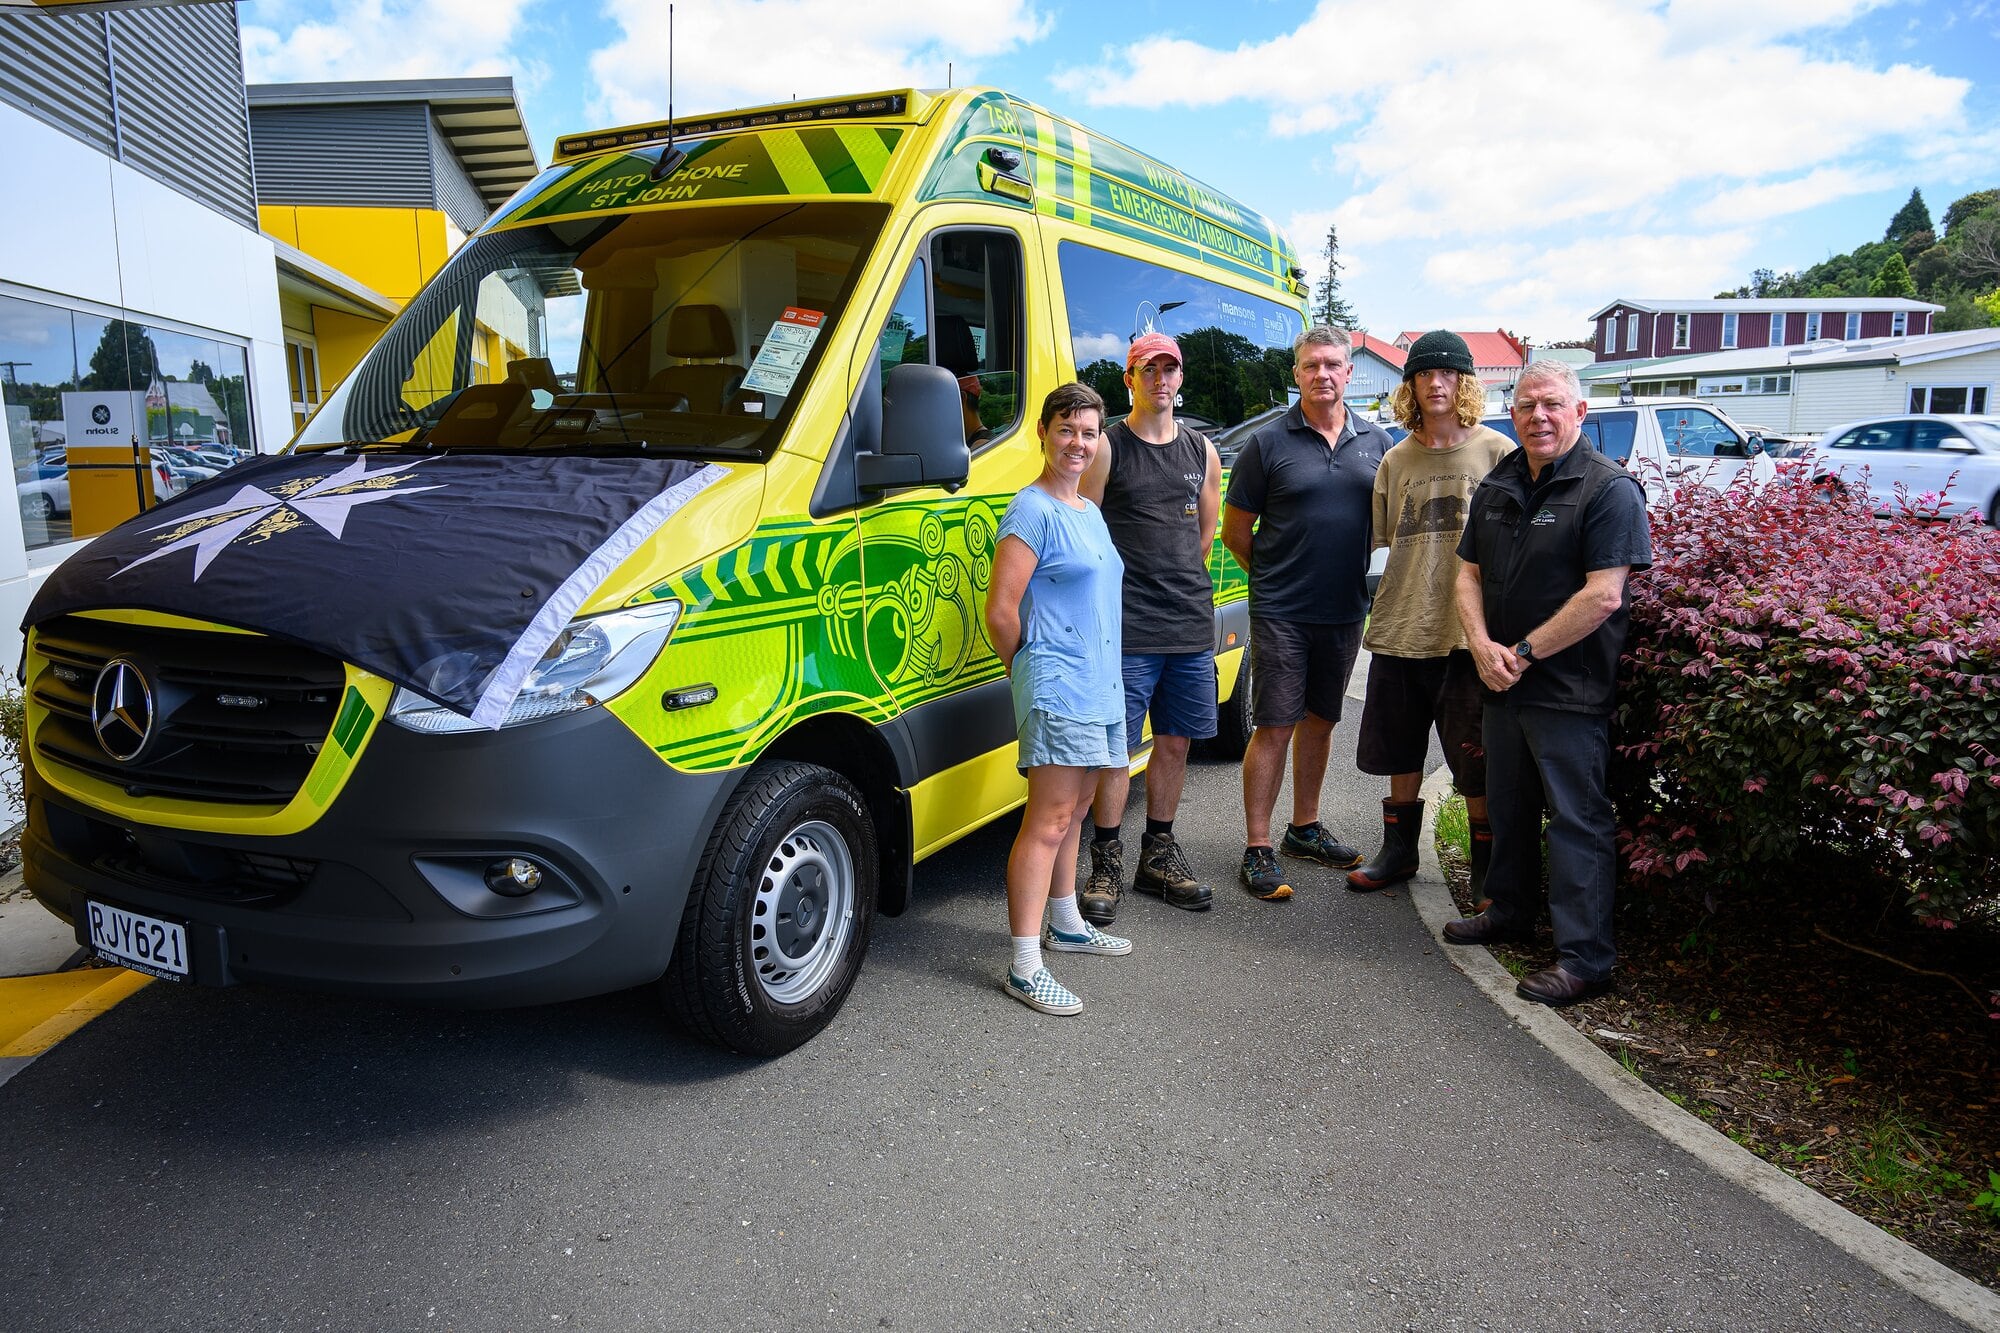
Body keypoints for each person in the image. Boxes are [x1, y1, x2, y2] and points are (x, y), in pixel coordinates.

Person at [1443, 360, 1651, 1006]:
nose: (1539, 416)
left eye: (1553, 404)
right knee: (1509, 807)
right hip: (1502, 680)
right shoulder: (1500, 483)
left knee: (1574, 822)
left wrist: (1524, 653)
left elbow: (1604, 595)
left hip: (1568, 690)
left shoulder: (1608, 489)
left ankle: (1586, 959)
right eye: (1528, 405)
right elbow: (1466, 573)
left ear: (1579, 412)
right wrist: (1482, 646)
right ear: (1513, 414)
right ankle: (1508, 910)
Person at [1221, 325, 1394, 900]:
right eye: (1311, 365)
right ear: (1296, 374)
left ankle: (1304, 829)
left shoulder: (1378, 443)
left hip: (1345, 610)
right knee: (1274, 724)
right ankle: (1258, 847)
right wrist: (1275, 579)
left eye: (1332, 364)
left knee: (1321, 721)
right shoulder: (1267, 444)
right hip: (1282, 611)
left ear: (1349, 372)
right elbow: (1236, 532)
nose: (1322, 374)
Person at [985, 382, 1134, 1015]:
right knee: (1046, 821)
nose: (1078, 442)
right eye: (1066, 429)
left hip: (1098, 684)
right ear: (1043, 432)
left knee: (1075, 813)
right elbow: (1001, 611)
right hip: (1060, 686)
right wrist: (1030, 669)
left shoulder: (1087, 511)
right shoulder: (1031, 510)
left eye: (1089, 432)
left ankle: (1067, 923)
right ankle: (1024, 964)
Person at [1348, 332, 1513, 894]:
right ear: (1410, 387)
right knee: (1399, 746)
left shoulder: (1497, 452)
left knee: (1474, 756)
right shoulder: (1396, 459)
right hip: (1402, 624)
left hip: (1469, 634)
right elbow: (1384, 541)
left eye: (1447, 374)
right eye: (1423, 375)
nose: (1435, 384)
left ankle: (1488, 866)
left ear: (1464, 383)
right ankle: (1399, 853)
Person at [1073, 332, 1220, 923]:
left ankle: (1157, 854)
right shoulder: (1108, 447)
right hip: (1126, 628)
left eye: (1170, 368)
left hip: (1187, 622)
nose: (1161, 378)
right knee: (1115, 750)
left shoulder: (1202, 451)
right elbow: (1084, 530)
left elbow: (1202, 537)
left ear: (1180, 378)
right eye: (1148, 368)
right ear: (1129, 379)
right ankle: (1105, 861)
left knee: (1176, 742)